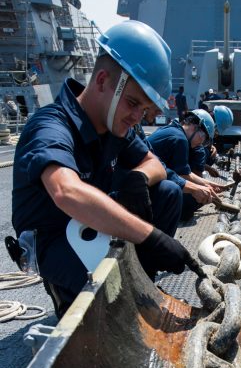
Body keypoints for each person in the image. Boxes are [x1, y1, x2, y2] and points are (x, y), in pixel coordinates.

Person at [11, 20, 192, 318]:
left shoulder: (115, 126)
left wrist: (139, 177)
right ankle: (67, 293)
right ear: (102, 80)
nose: (137, 116)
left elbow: (155, 164)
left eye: (144, 109)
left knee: (168, 192)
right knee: (107, 296)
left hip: (90, 225)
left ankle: (140, 282)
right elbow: (66, 192)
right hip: (54, 237)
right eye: (133, 103)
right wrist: (151, 236)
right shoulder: (50, 126)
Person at [148, 108, 224, 221]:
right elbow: (183, 176)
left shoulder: (173, 129)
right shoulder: (180, 139)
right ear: (195, 127)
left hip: (148, 181)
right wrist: (202, 188)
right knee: (192, 201)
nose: (201, 143)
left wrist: (209, 184)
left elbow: (185, 173)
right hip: (147, 187)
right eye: (203, 138)